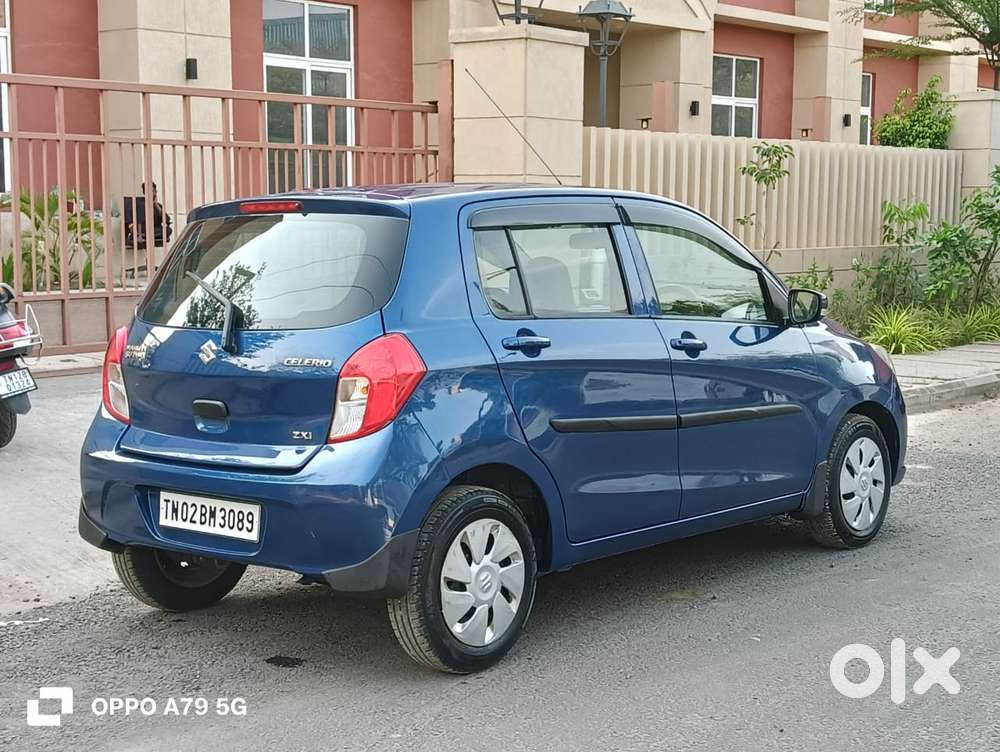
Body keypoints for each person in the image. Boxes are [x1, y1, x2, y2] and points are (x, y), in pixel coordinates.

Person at [124, 181, 173, 249]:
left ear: (155, 192)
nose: (151, 193)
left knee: (168, 230)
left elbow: (167, 219)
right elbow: (129, 217)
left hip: (155, 229)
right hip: (142, 229)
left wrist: (156, 205)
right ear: (144, 192)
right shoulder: (138, 204)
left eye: (153, 191)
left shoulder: (158, 206)